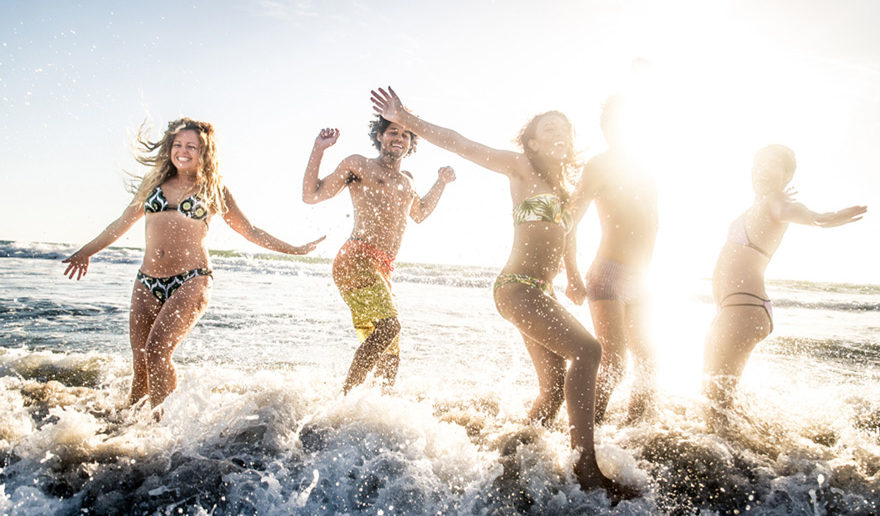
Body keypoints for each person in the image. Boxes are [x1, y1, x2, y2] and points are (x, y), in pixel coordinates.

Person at [371, 86, 640, 502]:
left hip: (542, 291)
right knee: (588, 351)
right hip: (517, 287)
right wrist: (407, 120)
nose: (560, 134)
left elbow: (566, 235)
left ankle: (503, 463)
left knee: (551, 394)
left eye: (565, 130)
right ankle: (585, 466)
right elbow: (461, 144)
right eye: (550, 128)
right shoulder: (520, 167)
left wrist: (572, 275)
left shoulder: (565, 186)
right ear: (532, 141)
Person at [63, 118, 324, 412]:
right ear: (169, 148)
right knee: (141, 360)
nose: (183, 151)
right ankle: (132, 427)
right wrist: (86, 252)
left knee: (157, 352)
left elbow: (249, 230)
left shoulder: (213, 189)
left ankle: (164, 426)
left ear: (204, 151)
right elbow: (120, 224)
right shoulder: (153, 184)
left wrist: (293, 249)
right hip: (146, 281)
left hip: (191, 280)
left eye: (191, 146)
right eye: (177, 145)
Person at [702, 144, 867, 410]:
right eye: (758, 164)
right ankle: (758, 447)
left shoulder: (777, 202)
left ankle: (741, 452)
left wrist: (824, 218)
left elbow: (799, 213)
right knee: (714, 400)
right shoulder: (764, 203)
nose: (761, 170)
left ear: (787, 175)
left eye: (771, 165)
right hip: (736, 309)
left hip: (743, 308)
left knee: (714, 403)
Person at [301, 119, 455, 394]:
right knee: (389, 327)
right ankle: (343, 401)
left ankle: (372, 420)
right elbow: (311, 195)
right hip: (356, 259)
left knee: (390, 357)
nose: (399, 137)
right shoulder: (359, 164)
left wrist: (441, 182)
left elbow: (419, 213)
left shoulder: (407, 180)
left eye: (406, 134)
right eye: (393, 132)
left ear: (411, 143)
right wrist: (319, 149)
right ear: (380, 136)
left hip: (383, 268)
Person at [564, 96, 659, 425]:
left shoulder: (647, 169)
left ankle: (636, 434)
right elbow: (569, 222)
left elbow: (651, 222)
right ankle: (586, 434)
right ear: (607, 128)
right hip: (609, 275)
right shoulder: (599, 166)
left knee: (649, 362)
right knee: (615, 363)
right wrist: (572, 273)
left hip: (642, 279)